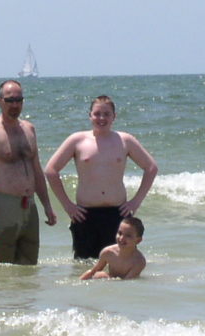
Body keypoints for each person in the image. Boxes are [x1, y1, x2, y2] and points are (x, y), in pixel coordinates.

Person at [45, 95, 157, 259]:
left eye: (106, 114)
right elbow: (51, 170)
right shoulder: (77, 140)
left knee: (118, 266)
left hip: (118, 214)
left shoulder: (125, 140)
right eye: (97, 114)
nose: (101, 118)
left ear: (114, 116)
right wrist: (68, 205)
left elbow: (151, 168)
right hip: (85, 214)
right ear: (90, 115)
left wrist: (135, 201)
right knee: (84, 266)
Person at [0, 80, 56, 265]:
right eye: (10, 100)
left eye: (19, 100)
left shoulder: (29, 129)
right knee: (0, 269)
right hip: (4, 206)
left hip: (29, 207)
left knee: (29, 268)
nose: (15, 105)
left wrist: (47, 206)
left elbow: (36, 170)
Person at [80, 216, 146, 280]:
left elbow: (127, 283)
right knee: (99, 275)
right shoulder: (108, 252)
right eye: (120, 233)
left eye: (128, 236)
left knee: (101, 275)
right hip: (112, 280)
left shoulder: (139, 261)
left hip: (125, 284)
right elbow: (92, 272)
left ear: (138, 240)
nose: (121, 238)